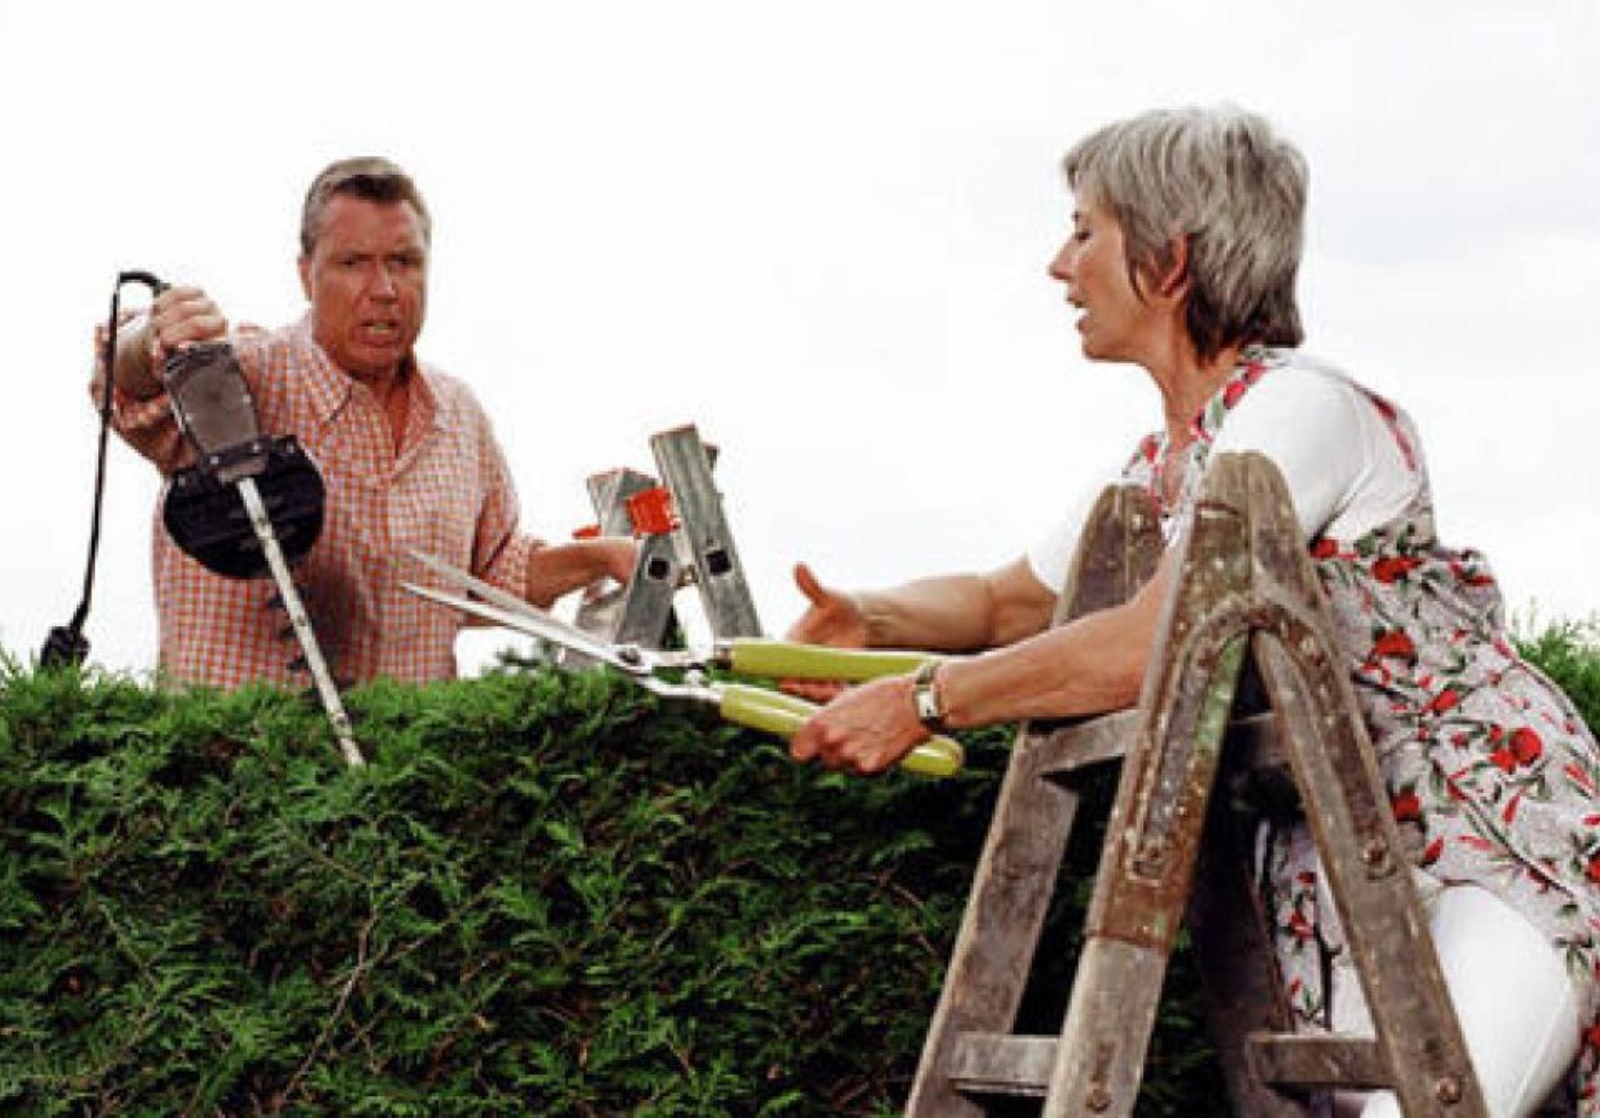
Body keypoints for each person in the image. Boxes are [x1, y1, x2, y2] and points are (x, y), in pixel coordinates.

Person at [787, 107, 1600, 1116]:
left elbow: (1156, 643)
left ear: (1168, 261)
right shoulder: (1163, 468)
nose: (1057, 264)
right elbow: (1008, 601)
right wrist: (871, 617)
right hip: (1349, 877)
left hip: (1489, 839)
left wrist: (925, 701)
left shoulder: (1302, 411)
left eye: (1084, 231)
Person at [100, 156, 633, 687]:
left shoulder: (460, 418)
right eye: (353, 262)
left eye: (403, 262)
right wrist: (153, 336)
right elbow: (123, 389)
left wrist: (600, 558)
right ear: (306, 274)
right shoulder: (234, 380)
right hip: (239, 762)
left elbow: (490, 577)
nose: (384, 289)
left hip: (406, 764)